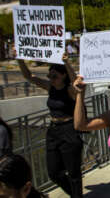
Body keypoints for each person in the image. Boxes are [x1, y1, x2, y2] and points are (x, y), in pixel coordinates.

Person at [16, 53, 82, 197]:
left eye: (54, 76)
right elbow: (29, 76)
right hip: (53, 130)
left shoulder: (71, 90)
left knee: (73, 173)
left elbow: (77, 83)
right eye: (49, 76)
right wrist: (19, 58)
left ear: (63, 76)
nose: (50, 79)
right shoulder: (50, 87)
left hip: (69, 129)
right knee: (53, 173)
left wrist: (67, 63)